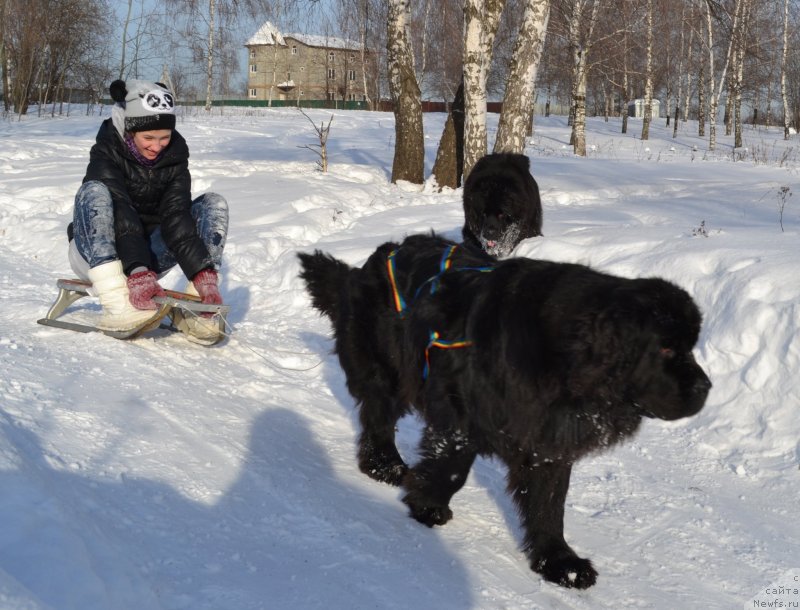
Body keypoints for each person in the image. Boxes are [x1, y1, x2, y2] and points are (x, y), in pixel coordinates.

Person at [67, 79, 229, 344]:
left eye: (164, 137)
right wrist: (137, 270)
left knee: (213, 203)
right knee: (95, 192)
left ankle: (197, 308)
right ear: (130, 131)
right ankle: (115, 300)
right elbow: (121, 214)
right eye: (149, 138)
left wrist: (203, 273)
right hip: (96, 254)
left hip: (147, 259)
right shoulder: (106, 152)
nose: (157, 146)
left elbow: (176, 216)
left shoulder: (174, 158)